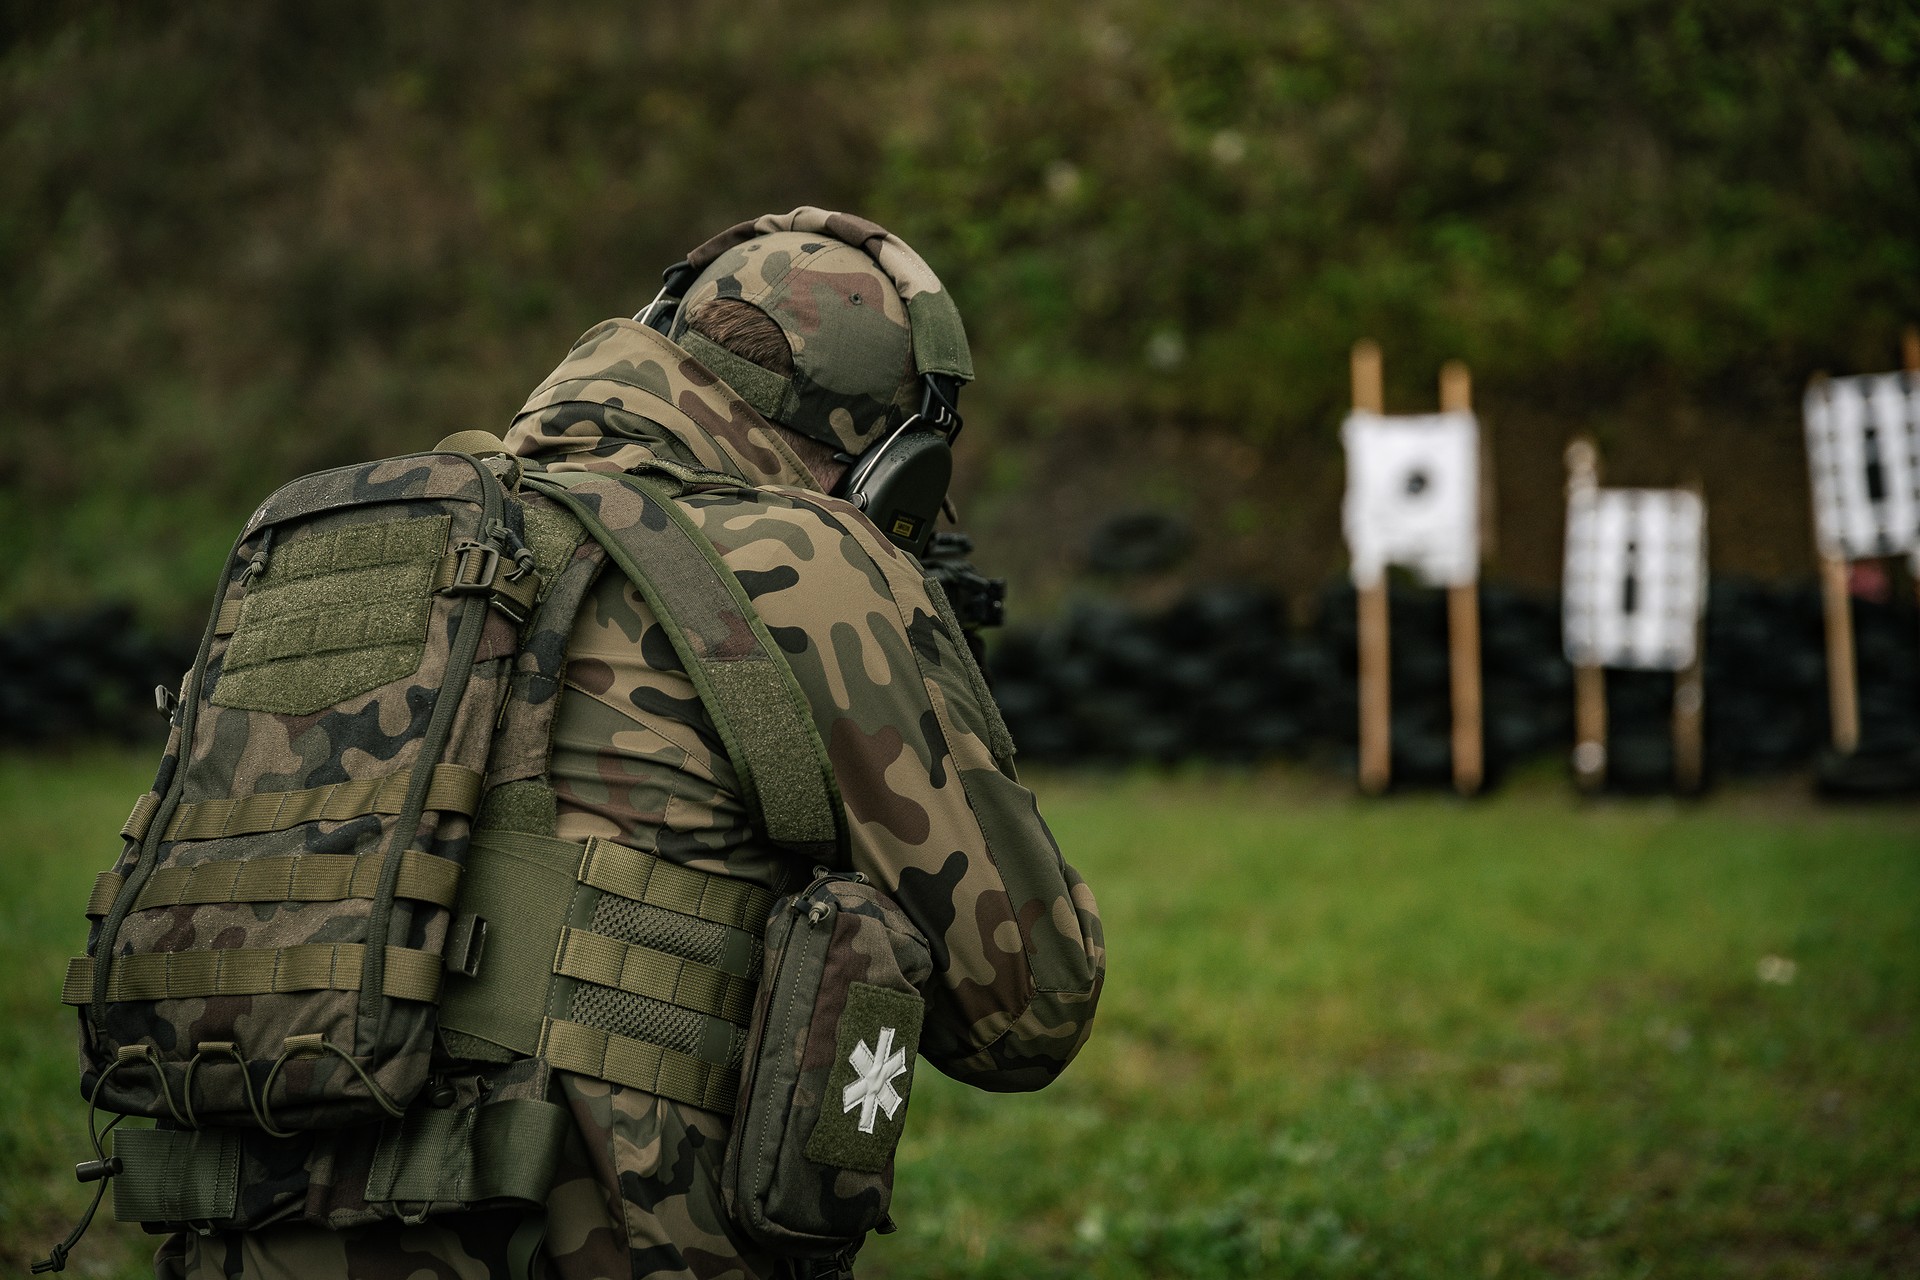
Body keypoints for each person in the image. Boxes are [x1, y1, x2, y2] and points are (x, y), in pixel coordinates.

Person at [156, 209, 1104, 1279]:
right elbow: (1031, 1009)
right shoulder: (816, 566)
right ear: (899, 464)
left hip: (237, 1234)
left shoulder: (344, 543)